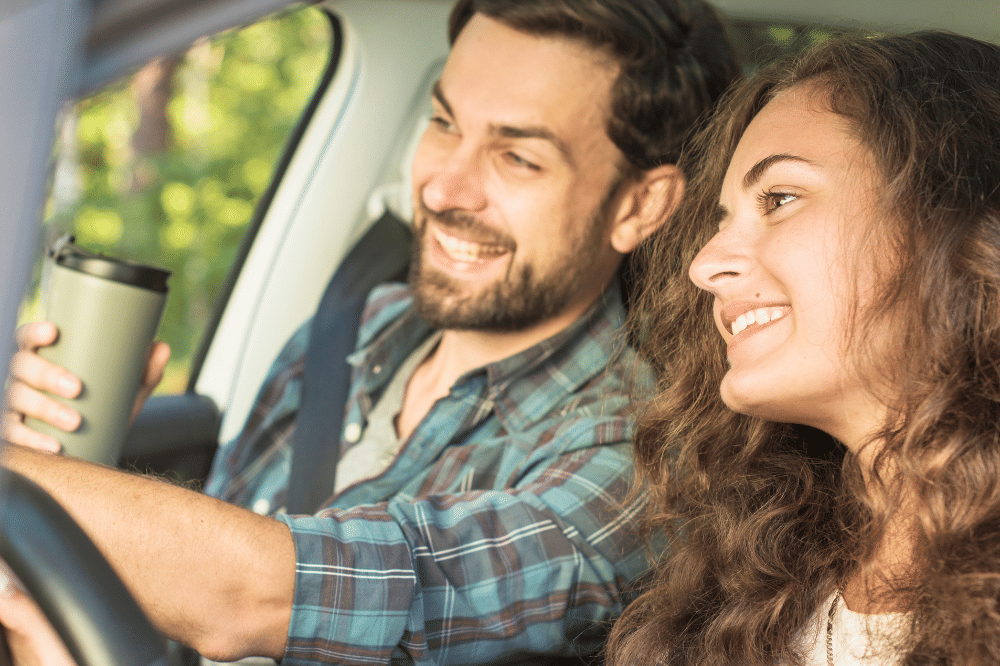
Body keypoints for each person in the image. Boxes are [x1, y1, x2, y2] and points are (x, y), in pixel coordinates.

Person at [0, 0, 740, 664]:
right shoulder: (353, 329)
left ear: (640, 206)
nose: (442, 188)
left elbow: (258, 595)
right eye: (444, 123)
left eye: (517, 157)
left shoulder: (639, 463)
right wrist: (69, 449)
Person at [604, 30, 1000, 666]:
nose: (704, 266)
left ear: (954, 219)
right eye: (722, 221)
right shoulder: (760, 570)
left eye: (779, 199)